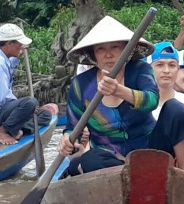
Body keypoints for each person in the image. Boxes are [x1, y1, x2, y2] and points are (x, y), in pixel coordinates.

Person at [57, 16, 159, 175]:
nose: (108, 55)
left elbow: (152, 101)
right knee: (89, 160)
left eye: (115, 47)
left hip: (149, 149)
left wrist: (119, 90)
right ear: (93, 55)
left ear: (127, 49)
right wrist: (67, 139)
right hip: (109, 158)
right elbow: (73, 128)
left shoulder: (140, 69)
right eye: (101, 49)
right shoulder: (81, 85)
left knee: (175, 110)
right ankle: (128, 173)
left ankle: (179, 169)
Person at [0, 23, 55, 145]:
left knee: (45, 115)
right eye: (19, 44)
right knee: (30, 102)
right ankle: (3, 130)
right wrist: (23, 109)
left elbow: (9, 65)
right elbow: (3, 99)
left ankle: (16, 130)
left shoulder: (4, 59)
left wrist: (18, 53)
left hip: (3, 110)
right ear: (9, 43)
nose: (21, 46)